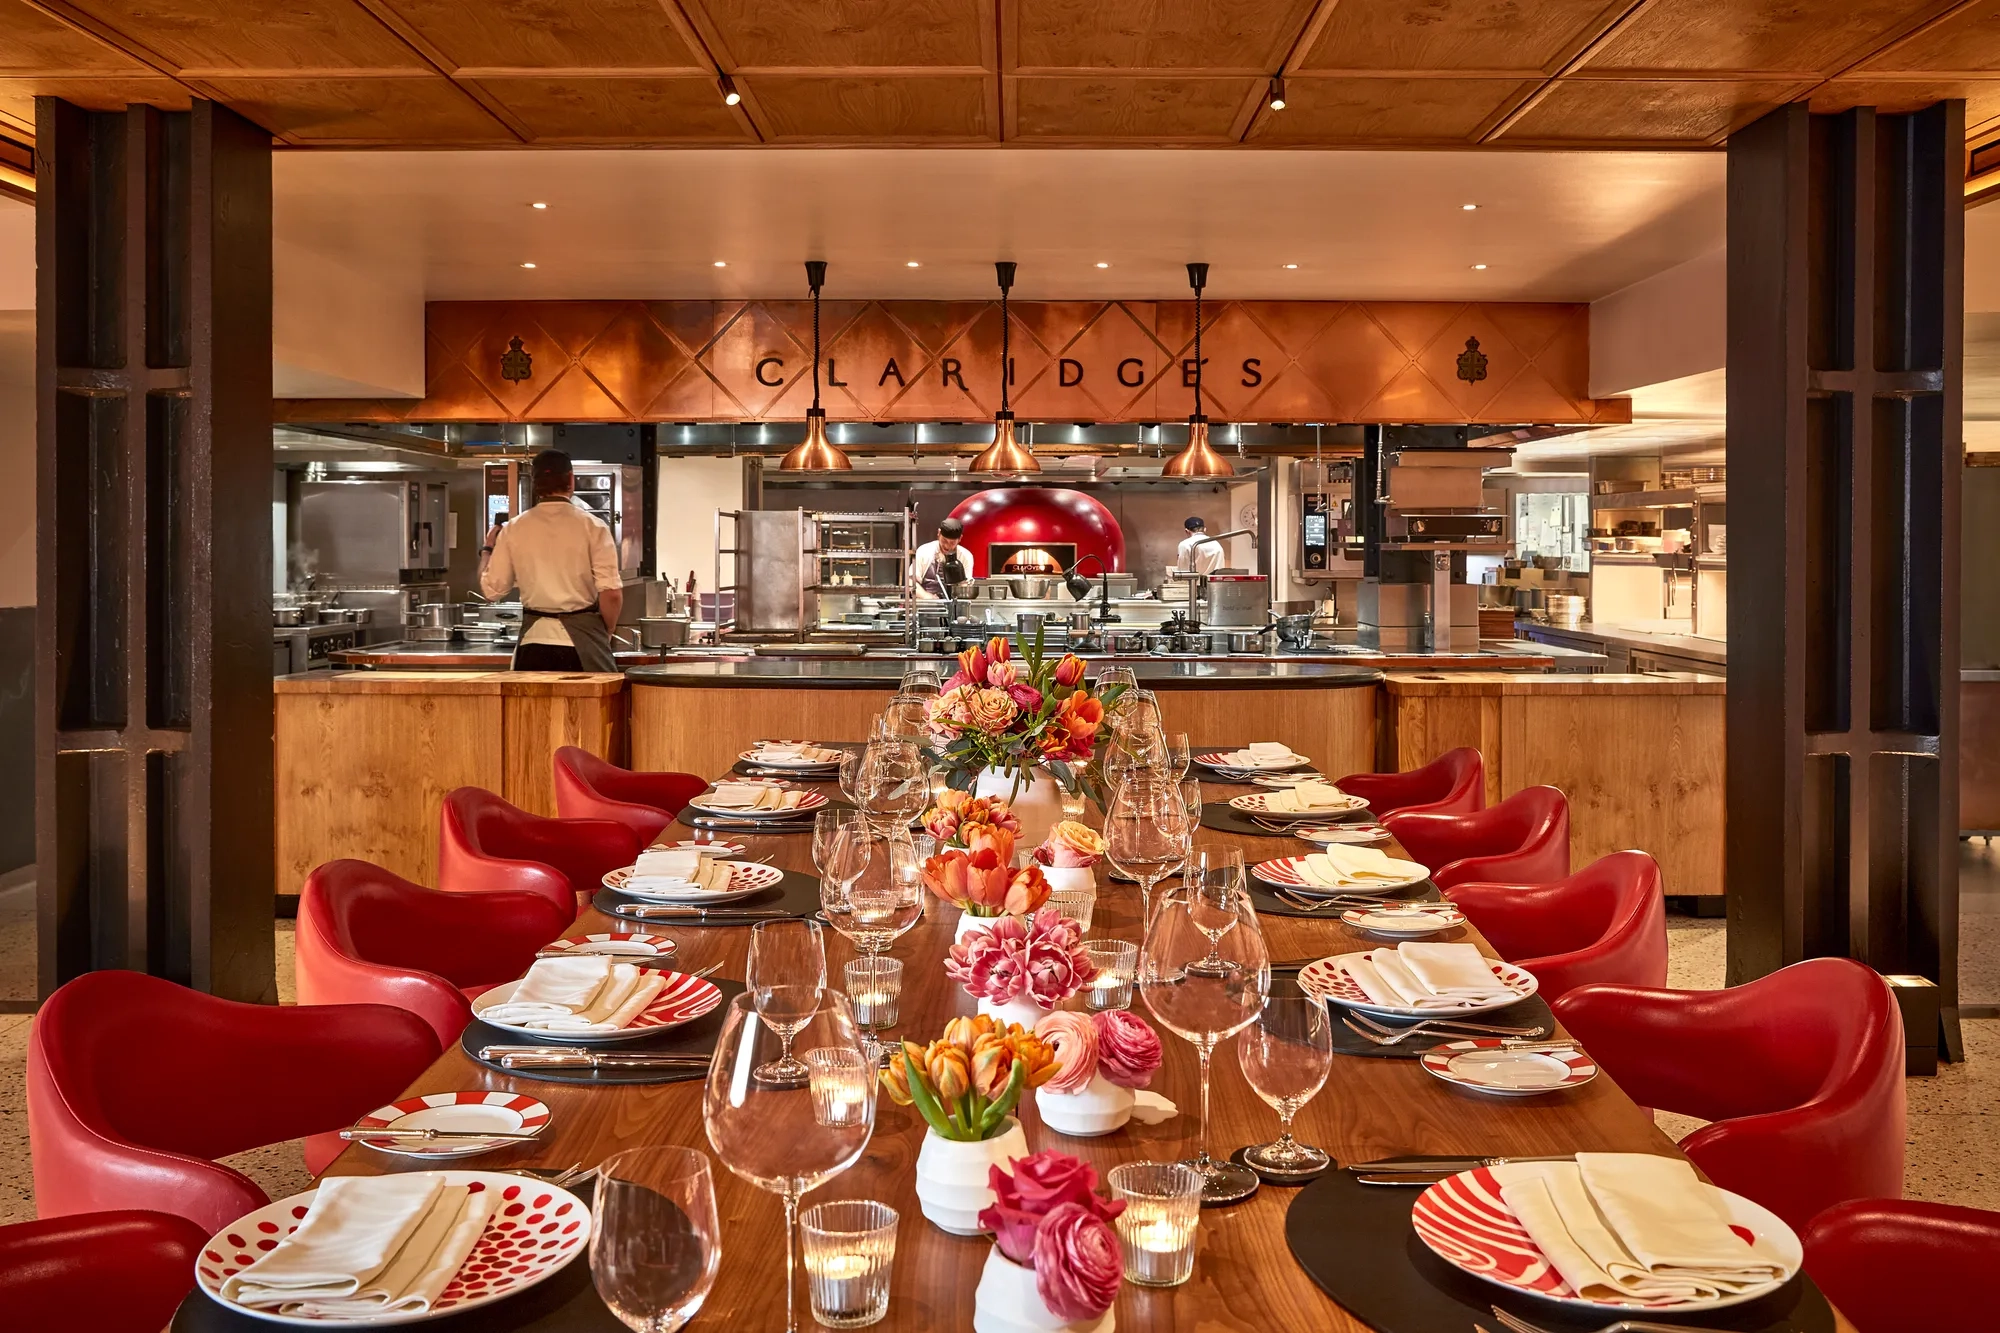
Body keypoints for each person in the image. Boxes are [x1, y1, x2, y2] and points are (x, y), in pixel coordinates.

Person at [479, 449, 623, 671]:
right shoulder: (593, 527)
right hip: (582, 643)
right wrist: (605, 632)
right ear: (571, 480)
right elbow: (611, 594)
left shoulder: (514, 529)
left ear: (535, 484)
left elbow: (491, 591)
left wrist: (487, 549)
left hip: (533, 644)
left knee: (532, 707)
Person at [910, 518, 969, 600]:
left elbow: (965, 586)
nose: (947, 546)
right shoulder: (924, 551)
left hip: (954, 605)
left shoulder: (965, 556)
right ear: (938, 533)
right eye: (944, 541)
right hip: (926, 605)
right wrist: (926, 596)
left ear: (960, 539)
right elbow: (911, 582)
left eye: (952, 543)